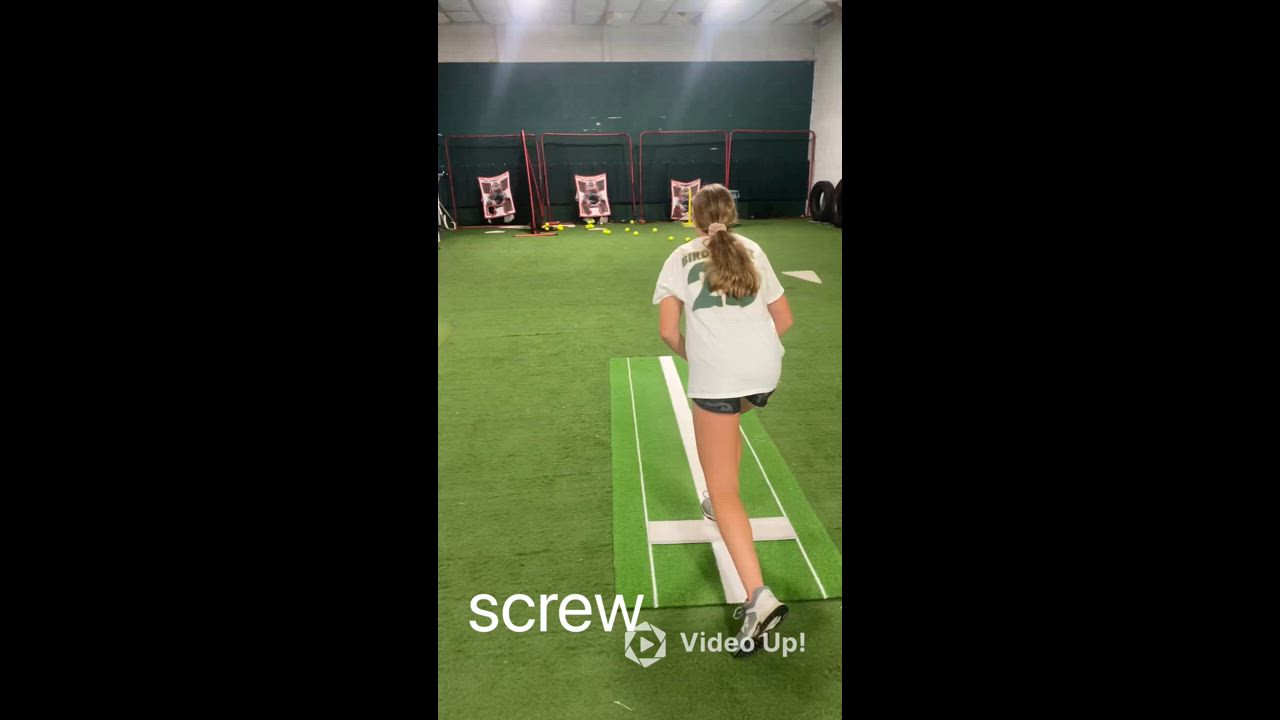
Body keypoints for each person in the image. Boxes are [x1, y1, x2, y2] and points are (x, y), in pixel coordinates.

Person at [650, 183, 794, 658]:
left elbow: (668, 331)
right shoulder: (752, 248)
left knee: (726, 485)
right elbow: (784, 320)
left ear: (691, 217)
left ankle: (758, 597)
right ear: (732, 214)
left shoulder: (679, 257)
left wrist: (704, 360)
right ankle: (716, 499)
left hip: (719, 381)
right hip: (765, 375)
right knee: (730, 423)